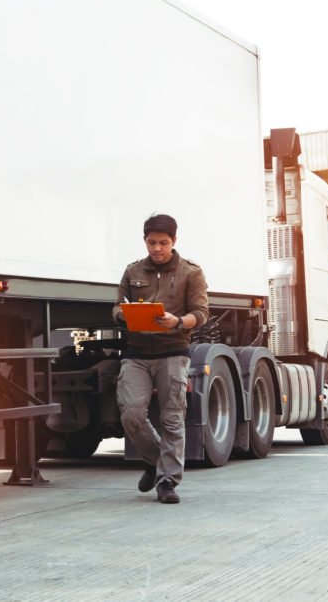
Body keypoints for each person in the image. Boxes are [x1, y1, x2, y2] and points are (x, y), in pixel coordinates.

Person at [112, 213, 208, 504]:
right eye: (152, 242)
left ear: (174, 241)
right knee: (130, 413)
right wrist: (125, 317)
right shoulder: (133, 271)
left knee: (172, 418)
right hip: (137, 352)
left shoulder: (191, 273)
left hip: (173, 351)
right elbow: (117, 306)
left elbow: (201, 314)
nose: (157, 248)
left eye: (163, 243)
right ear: (145, 241)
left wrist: (177, 321)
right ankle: (154, 461)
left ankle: (167, 481)